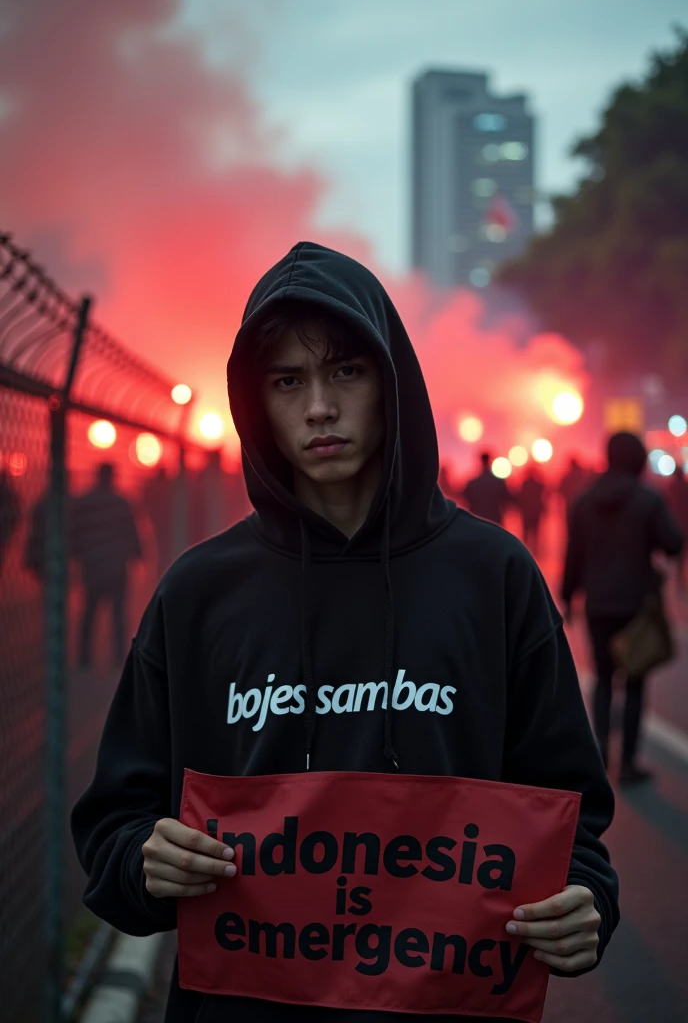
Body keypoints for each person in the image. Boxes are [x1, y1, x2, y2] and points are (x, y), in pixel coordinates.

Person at [72, 243, 618, 1023]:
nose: (319, 407)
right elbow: (113, 824)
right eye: (288, 381)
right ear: (256, 401)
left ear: (391, 383)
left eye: (346, 372)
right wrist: (143, 861)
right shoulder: (197, 593)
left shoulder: (494, 577)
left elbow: (570, 817)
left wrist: (586, 901)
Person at [562, 432, 683, 785]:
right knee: (634, 682)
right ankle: (628, 763)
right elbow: (674, 543)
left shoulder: (584, 501)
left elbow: (574, 557)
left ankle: (598, 756)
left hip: (598, 605)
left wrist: (569, 598)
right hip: (636, 607)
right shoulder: (647, 499)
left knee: (602, 680)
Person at [72, 462, 143, 669]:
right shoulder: (121, 503)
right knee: (118, 613)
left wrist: (76, 556)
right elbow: (131, 532)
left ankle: (85, 657)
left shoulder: (85, 502)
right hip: (116, 566)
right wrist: (137, 555)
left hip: (92, 564)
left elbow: (76, 533)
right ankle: (118, 656)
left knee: (90, 613)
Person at [463, 451, 511, 525]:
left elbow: (466, 499)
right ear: (490, 461)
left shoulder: (473, 483)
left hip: (477, 518)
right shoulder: (499, 482)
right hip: (494, 519)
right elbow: (506, 499)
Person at [667, 462, 688, 591]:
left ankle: (679, 579)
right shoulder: (684, 488)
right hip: (684, 524)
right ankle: (680, 579)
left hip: (676, 524)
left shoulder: (672, 487)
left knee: (679, 555)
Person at [517, 467, 547, 554]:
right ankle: (535, 548)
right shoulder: (537, 484)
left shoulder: (525, 484)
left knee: (526, 530)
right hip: (535, 510)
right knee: (535, 531)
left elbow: (520, 497)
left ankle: (526, 547)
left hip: (526, 510)